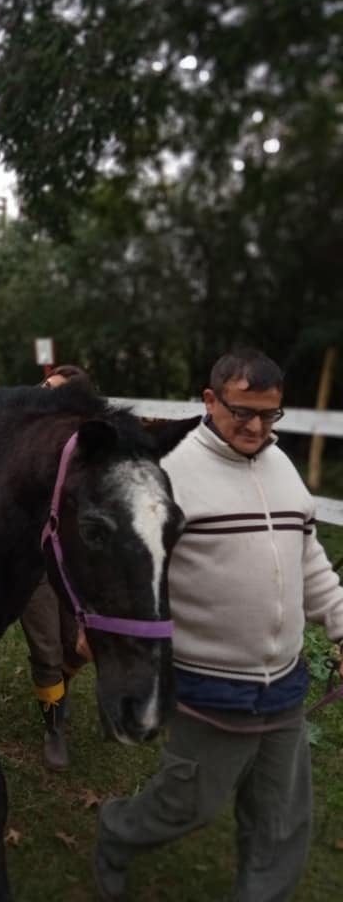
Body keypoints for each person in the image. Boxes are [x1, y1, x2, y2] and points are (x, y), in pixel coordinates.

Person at [94, 348, 343, 902]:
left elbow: (308, 558)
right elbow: (129, 576)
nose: (258, 428)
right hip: (208, 687)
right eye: (242, 413)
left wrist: (341, 624)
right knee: (187, 804)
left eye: (270, 415)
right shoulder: (170, 474)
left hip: (284, 685)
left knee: (280, 818)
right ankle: (117, 833)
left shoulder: (280, 465)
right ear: (209, 400)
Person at [21, 364, 92, 770]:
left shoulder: (88, 448)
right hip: (32, 561)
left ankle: (56, 690)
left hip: (75, 561)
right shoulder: (21, 437)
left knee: (80, 645)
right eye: (43, 386)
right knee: (47, 647)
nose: (42, 393)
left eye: (54, 390)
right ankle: (54, 730)